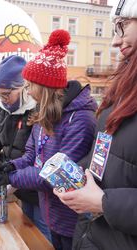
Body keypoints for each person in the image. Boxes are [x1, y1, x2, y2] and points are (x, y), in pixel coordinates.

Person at [0, 29, 97, 250]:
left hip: (72, 220)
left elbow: (54, 175)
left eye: (30, 85)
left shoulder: (80, 119)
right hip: (51, 212)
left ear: (44, 86)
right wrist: (9, 166)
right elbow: (30, 156)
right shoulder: (43, 114)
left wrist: (11, 177)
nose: (29, 91)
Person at [54, 1, 137, 249]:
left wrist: (103, 202)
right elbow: (106, 158)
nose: (113, 41)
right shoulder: (123, 91)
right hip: (92, 236)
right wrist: (76, 173)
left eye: (122, 25)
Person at [0, 55, 51, 241]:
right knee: (27, 229)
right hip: (18, 182)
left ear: (24, 88)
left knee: (42, 234)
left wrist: (12, 180)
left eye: (7, 94)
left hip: (37, 186)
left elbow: (34, 155)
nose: (3, 99)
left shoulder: (38, 110)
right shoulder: (1, 105)